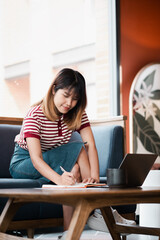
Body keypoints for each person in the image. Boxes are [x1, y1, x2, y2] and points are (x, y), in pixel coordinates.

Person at [9, 68, 135, 239]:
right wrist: (59, 179)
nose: (69, 102)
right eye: (66, 95)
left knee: (74, 171)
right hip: (24, 164)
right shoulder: (35, 114)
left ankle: (68, 233)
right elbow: (36, 159)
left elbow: (92, 145)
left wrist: (94, 178)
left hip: (52, 160)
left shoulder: (76, 114)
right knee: (78, 148)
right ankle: (99, 211)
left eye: (75, 99)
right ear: (54, 89)